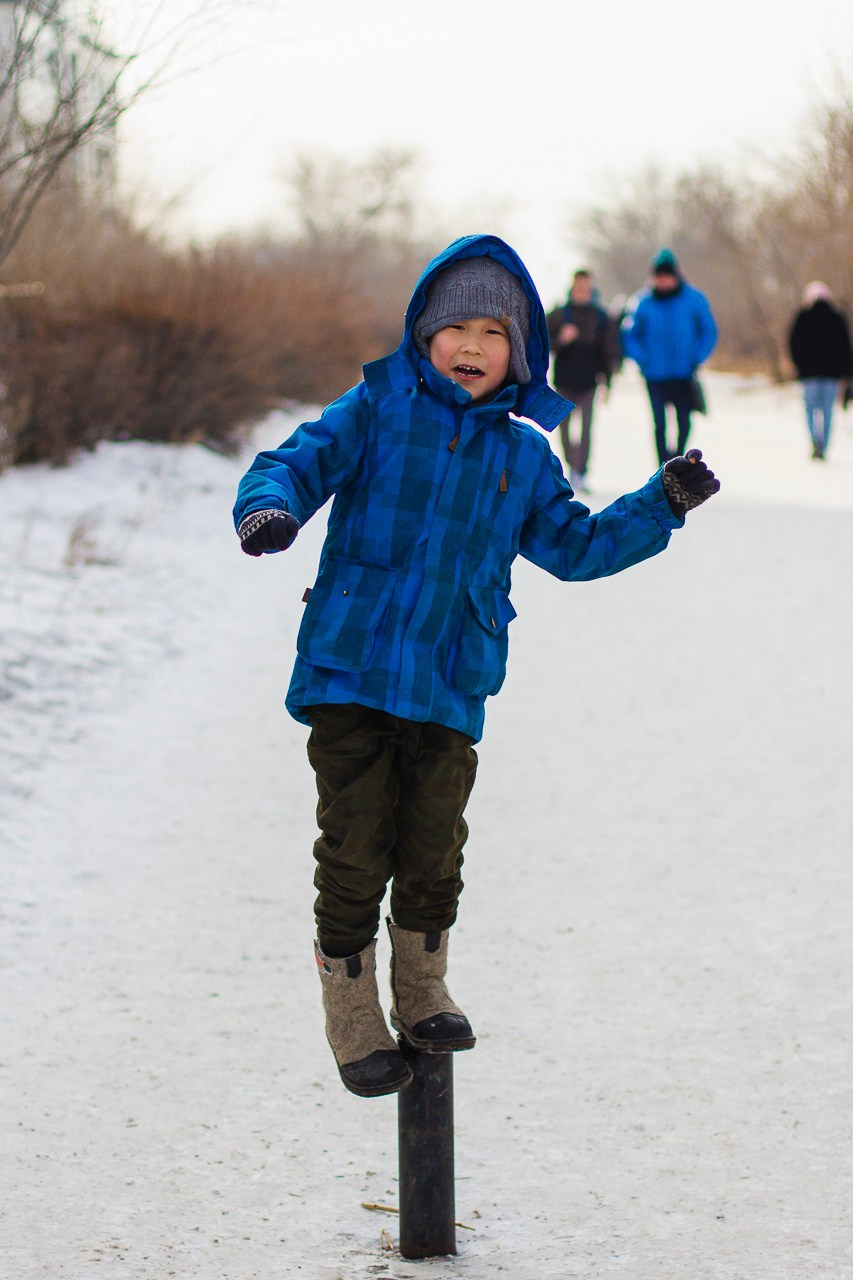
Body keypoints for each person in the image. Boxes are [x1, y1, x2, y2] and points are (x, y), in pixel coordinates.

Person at [232, 235, 720, 1099]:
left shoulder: (525, 455)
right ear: (423, 334)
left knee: (432, 849)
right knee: (354, 847)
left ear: (519, 354)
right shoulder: (374, 410)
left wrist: (660, 503)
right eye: (455, 328)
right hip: (351, 670)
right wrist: (270, 509)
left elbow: (575, 547)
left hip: (452, 681)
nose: (471, 346)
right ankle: (350, 1012)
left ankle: (420, 988)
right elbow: (293, 463)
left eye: (494, 333)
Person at [622, 248, 718, 466]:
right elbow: (629, 335)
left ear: (676, 276)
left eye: (667, 276)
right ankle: (662, 467)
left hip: (684, 373)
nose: (663, 281)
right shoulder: (642, 302)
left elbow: (709, 331)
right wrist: (642, 359)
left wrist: (697, 356)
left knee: (684, 421)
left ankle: (678, 460)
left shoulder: (694, 299)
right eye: (659, 277)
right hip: (654, 374)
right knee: (659, 423)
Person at [547, 269, 613, 491]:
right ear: (573, 287)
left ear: (591, 288)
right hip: (563, 381)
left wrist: (608, 381)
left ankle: (581, 472)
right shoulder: (558, 314)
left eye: (586, 287)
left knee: (586, 429)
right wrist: (561, 339)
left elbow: (608, 351)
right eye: (579, 287)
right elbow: (543, 344)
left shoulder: (601, 316)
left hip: (589, 382)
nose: (582, 291)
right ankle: (571, 464)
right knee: (564, 429)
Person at [787, 281, 853, 460]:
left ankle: (814, 441)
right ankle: (823, 444)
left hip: (810, 375)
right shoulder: (837, 318)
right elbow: (846, 347)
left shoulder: (803, 317)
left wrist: (798, 365)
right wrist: (847, 372)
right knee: (827, 410)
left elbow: (794, 344)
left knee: (810, 408)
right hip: (832, 375)